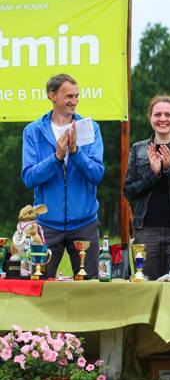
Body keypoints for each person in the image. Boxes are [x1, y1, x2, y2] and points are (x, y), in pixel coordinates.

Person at [22, 74, 104, 279]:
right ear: (52, 96)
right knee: (40, 290)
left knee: (90, 292)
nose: (74, 101)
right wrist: (57, 157)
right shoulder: (33, 131)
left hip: (85, 224)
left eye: (77, 96)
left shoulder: (90, 128)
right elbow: (29, 177)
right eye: (69, 96)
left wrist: (75, 153)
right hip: (46, 225)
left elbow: (97, 174)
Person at [124, 95, 170, 280]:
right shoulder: (139, 149)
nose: (162, 119)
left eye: (168, 114)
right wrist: (153, 174)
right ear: (150, 117)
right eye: (157, 114)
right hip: (146, 231)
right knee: (147, 289)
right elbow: (129, 191)